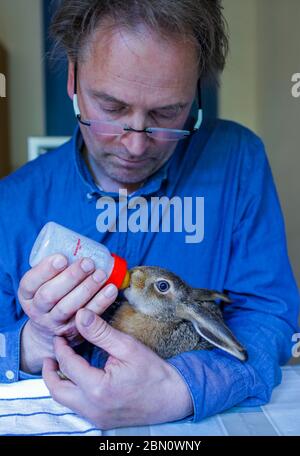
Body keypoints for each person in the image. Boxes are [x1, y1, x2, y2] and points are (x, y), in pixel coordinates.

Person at [0, 0, 299, 430]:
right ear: (73, 79)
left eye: (167, 113)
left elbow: (268, 314)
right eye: (112, 108)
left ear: (196, 90)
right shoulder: (13, 203)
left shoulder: (238, 160)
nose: (136, 146)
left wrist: (182, 388)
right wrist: (35, 342)